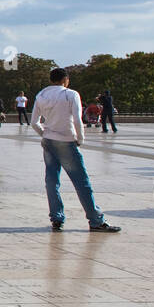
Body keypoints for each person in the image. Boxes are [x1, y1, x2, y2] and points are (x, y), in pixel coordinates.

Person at [30, 68, 121, 232]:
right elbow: (78, 119)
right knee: (81, 182)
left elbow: (34, 122)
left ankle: (56, 218)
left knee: (52, 181)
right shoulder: (71, 94)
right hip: (66, 141)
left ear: (51, 80)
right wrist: (80, 139)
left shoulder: (41, 95)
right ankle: (95, 220)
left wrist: (44, 133)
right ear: (65, 80)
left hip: (49, 140)